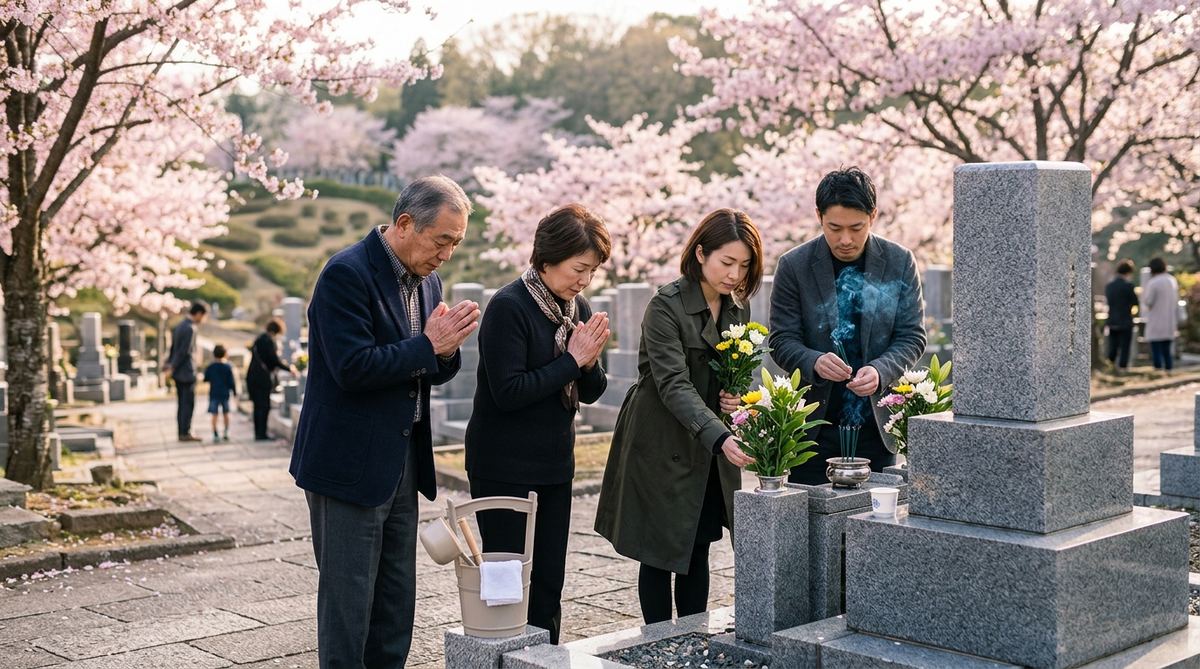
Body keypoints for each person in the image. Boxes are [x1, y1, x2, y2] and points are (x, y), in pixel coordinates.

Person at [289, 175, 481, 668]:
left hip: (403, 460)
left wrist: (446, 350)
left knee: (396, 600)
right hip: (348, 462)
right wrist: (429, 346)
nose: (447, 254)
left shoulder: (427, 280)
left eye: (456, 244)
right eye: (442, 240)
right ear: (404, 224)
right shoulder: (346, 274)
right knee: (349, 602)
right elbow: (353, 368)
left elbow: (424, 365)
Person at [595, 208, 759, 625]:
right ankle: (658, 641)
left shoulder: (737, 310)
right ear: (701, 253)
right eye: (727, 262)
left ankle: (692, 636)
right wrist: (720, 437)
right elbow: (672, 384)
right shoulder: (666, 305)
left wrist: (736, 397)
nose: (734, 274)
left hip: (707, 442)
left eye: (743, 265)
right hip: (661, 438)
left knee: (698, 543)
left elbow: (739, 372)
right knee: (658, 550)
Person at [465, 204, 612, 644]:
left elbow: (591, 390)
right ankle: (502, 654)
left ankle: (545, 655)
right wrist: (572, 359)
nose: (583, 281)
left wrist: (584, 361)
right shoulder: (508, 307)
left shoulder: (575, 306)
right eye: (578, 268)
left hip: (553, 466)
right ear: (547, 259)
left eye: (591, 271)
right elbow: (508, 392)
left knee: (549, 581)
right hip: (503, 467)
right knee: (507, 584)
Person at [769, 167, 926, 482]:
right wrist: (814, 361)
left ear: (873, 216)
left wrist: (881, 370)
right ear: (818, 216)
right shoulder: (793, 266)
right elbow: (781, 340)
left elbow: (911, 336)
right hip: (812, 428)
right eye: (834, 227)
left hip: (877, 424)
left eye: (856, 227)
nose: (845, 239)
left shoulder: (900, 261)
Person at [165, 302, 208, 442]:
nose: (203, 319)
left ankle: (182, 431)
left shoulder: (180, 326)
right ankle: (186, 432)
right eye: (203, 316)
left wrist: (170, 365)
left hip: (178, 372)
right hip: (187, 372)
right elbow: (184, 351)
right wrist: (173, 366)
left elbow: (173, 349)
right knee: (188, 403)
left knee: (181, 403)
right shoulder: (190, 328)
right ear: (199, 314)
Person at [246, 317, 296, 440]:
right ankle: (262, 434)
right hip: (262, 377)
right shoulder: (269, 341)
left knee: (257, 406)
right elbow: (273, 360)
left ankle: (258, 433)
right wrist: (290, 369)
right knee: (264, 406)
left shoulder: (259, 339)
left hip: (252, 375)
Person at [1144, 257, 1180, 373]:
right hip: (1170, 319)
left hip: (1156, 319)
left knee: (1156, 348)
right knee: (1167, 349)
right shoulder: (1172, 280)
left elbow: (1149, 301)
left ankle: (1158, 369)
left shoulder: (1153, 282)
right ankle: (1169, 369)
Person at [1104, 259, 1139, 372]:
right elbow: (1135, 302)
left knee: (1113, 344)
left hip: (1112, 319)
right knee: (1125, 346)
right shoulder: (1128, 286)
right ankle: (1123, 367)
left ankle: (1110, 364)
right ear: (1128, 272)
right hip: (1125, 319)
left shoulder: (1109, 286)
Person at [204, 344, 236, 442]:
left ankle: (215, 433)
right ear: (225, 354)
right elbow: (231, 382)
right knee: (226, 413)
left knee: (214, 414)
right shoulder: (228, 367)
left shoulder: (210, 367)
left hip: (214, 393)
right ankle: (226, 431)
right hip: (225, 393)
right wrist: (234, 392)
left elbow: (206, 378)